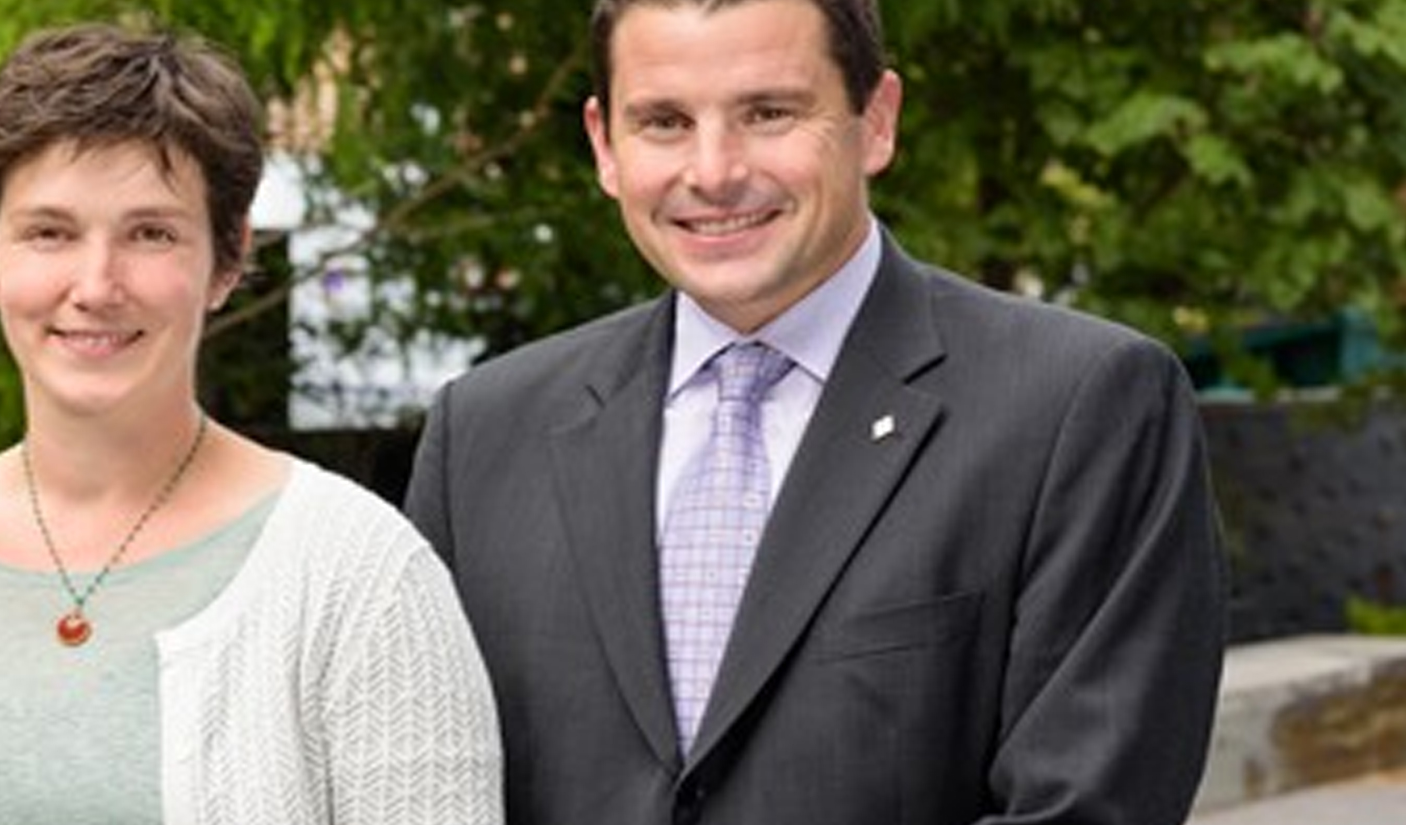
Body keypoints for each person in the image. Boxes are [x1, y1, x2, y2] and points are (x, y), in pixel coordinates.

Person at [403, 1, 1226, 823]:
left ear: (877, 121)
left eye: (768, 113)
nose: (715, 170)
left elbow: (1086, 808)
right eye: (663, 121)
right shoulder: (482, 434)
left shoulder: (1083, 406)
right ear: (604, 145)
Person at [0, 22, 502, 825]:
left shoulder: (361, 576)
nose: (97, 284)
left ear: (228, 259)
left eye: (151, 233)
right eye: (50, 232)